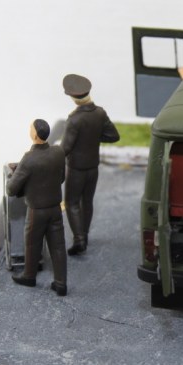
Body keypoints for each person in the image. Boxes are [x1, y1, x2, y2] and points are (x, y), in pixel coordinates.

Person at [6, 119, 68, 296]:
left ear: (34, 134)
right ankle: (61, 283)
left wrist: (15, 173)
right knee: (58, 246)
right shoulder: (58, 152)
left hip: (36, 211)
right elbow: (61, 178)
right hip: (55, 208)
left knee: (32, 244)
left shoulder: (29, 158)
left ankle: (29, 275)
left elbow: (11, 189)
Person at [61, 74, 120, 256]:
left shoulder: (74, 119)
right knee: (87, 202)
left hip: (76, 169)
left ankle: (79, 240)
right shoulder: (100, 113)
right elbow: (114, 136)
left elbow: (65, 148)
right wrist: (93, 138)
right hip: (93, 167)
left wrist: (50, 156)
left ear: (73, 97)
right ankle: (84, 235)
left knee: (71, 202)